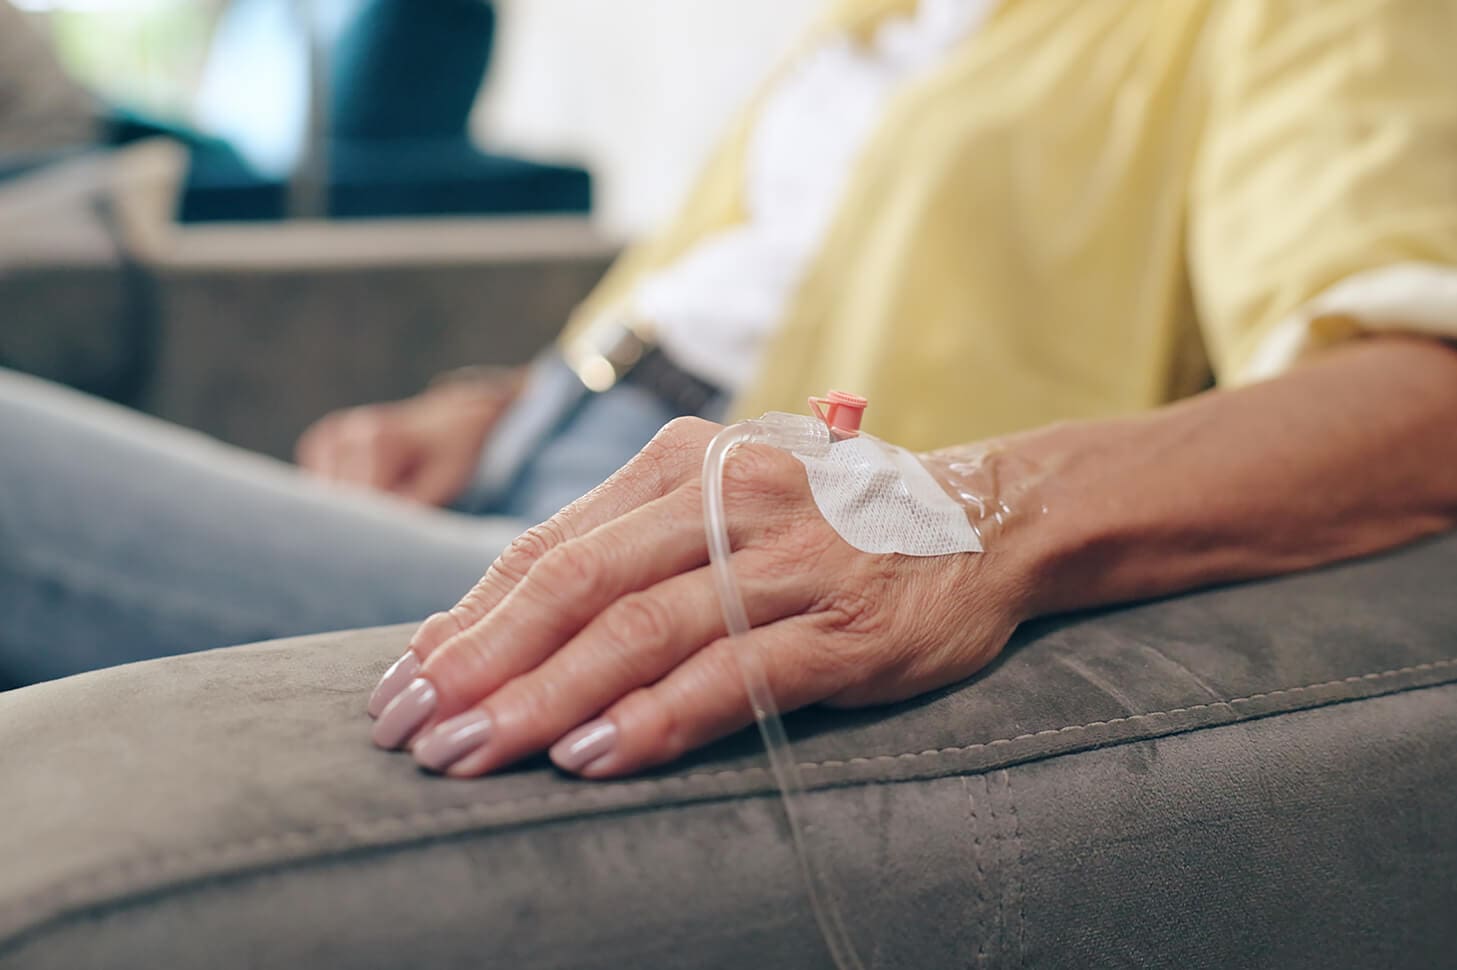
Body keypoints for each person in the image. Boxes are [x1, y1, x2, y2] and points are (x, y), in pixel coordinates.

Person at [2, 0, 1455, 784]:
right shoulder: (871, 27)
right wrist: (492, 403)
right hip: (550, 477)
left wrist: (966, 511)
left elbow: (1421, 387)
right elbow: (716, 312)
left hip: (694, 555)